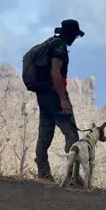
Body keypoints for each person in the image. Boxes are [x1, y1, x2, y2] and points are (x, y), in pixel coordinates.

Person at [22, 19, 86, 185]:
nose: (75, 39)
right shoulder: (59, 47)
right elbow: (55, 73)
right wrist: (63, 99)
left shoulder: (49, 43)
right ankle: (72, 177)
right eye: (75, 35)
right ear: (70, 34)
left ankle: (43, 174)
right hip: (54, 96)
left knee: (45, 133)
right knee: (71, 134)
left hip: (43, 95)